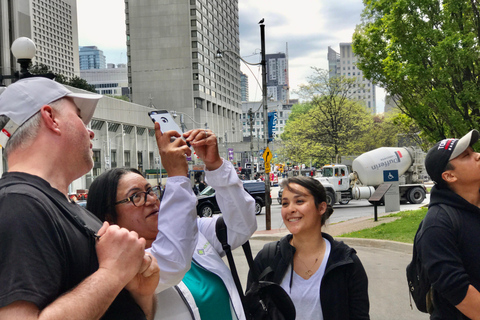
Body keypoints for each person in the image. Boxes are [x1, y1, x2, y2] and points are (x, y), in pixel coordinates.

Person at [0, 77, 159, 319]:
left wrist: (141, 293)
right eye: (79, 117)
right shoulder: (20, 204)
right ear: (51, 118)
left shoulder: (62, 208)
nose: (90, 131)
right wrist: (112, 274)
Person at [87, 124, 257, 320]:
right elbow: (172, 258)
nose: (151, 200)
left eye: (150, 191)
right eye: (135, 196)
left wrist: (215, 165)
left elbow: (243, 225)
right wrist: (177, 175)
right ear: (109, 216)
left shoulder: (196, 233)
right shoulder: (122, 266)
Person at [248, 176, 370, 319]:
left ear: (322, 207)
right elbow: (251, 311)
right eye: (285, 203)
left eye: (299, 201)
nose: (291, 209)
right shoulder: (267, 258)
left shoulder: (346, 262)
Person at [415, 129, 480, 319]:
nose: (477, 156)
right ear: (449, 176)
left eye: (473, 150)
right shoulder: (437, 224)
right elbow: (456, 289)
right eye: (467, 155)